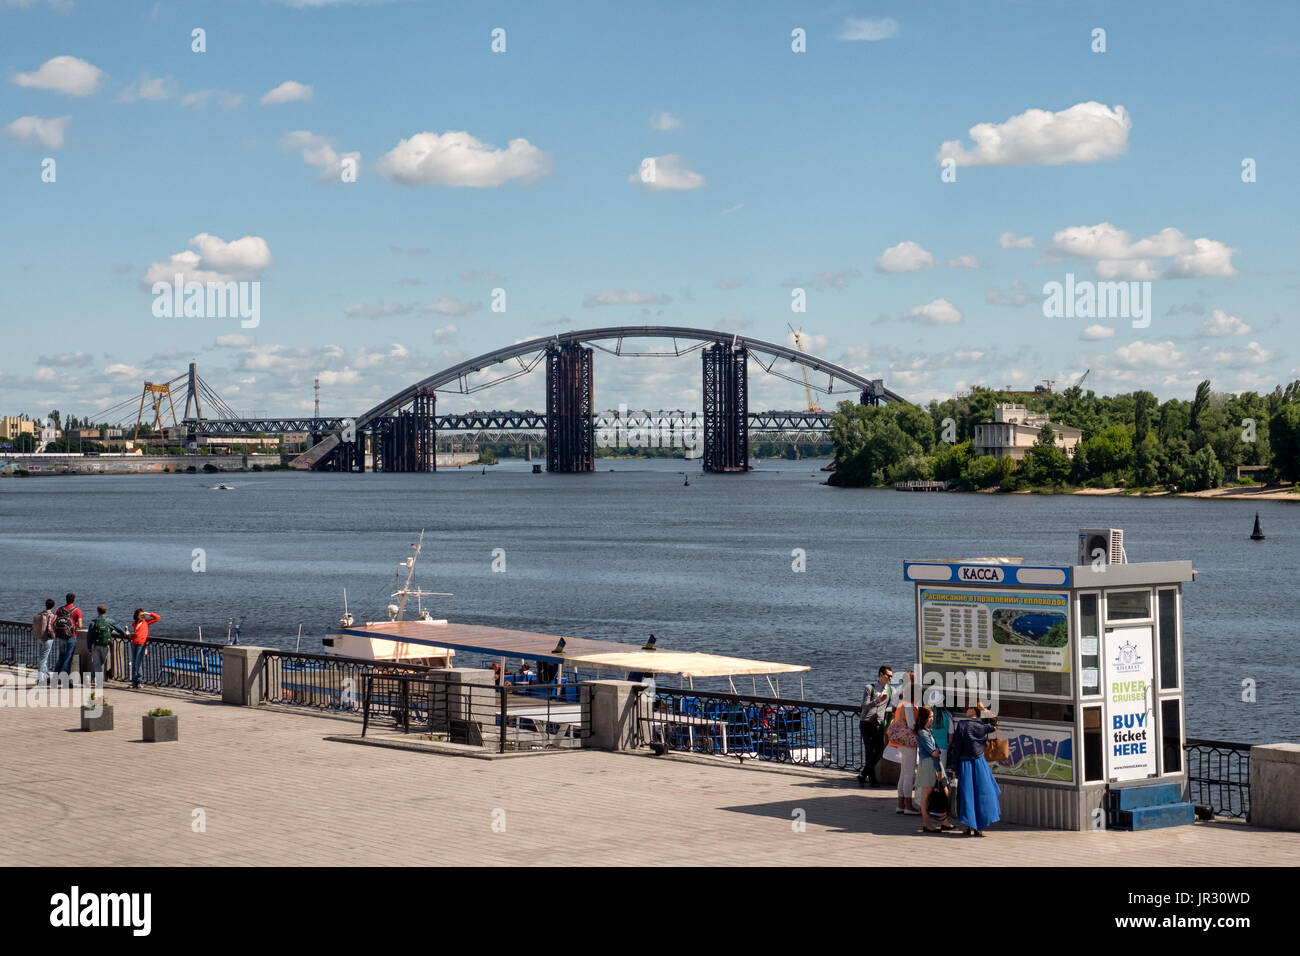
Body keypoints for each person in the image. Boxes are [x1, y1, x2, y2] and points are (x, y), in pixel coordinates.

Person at [945, 702, 1003, 837]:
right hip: (980, 762)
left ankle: (968, 826)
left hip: (965, 763)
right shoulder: (983, 726)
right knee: (981, 794)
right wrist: (985, 711)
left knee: (967, 795)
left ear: (973, 711)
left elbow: (957, 747)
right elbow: (995, 724)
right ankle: (979, 827)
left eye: (969, 707)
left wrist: (953, 766)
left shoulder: (962, 725)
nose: (967, 709)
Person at [915, 706, 956, 833]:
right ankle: (927, 823)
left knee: (945, 791)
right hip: (928, 765)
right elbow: (933, 752)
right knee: (926, 795)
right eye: (931, 716)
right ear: (925, 718)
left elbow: (935, 751)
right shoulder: (922, 732)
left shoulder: (928, 730)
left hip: (936, 765)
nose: (932, 719)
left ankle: (944, 821)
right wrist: (937, 752)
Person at [857, 665, 893, 787]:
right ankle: (872, 780)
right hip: (866, 723)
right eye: (888, 676)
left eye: (891, 676)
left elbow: (892, 704)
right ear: (881, 675)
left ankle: (863, 774)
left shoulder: (890, 690)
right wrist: (876, 701)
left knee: (879, 750)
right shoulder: (870, 688)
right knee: (869, 751)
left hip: (879, 724)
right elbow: (864, 706)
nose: (890, 679)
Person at [890, 670, 921, 814]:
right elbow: (911, 723)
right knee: (909, 775)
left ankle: (900, 804)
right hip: (908, 742)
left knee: (903, 774)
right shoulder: (909, 704)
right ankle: (908, 805)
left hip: (901, 742)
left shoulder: (902, 703)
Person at [51, 593, 82, 681]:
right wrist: (75, 625)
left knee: (60, 658)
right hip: (71, 636)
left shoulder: (60, 609)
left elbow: (52, 622)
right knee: (68, 658)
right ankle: (66, 679)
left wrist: (55, 631)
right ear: (74, 600)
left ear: (66, 599)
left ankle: (55, 678)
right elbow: (80, 625)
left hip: (61, 637)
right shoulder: (77, 610)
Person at [87, 605, 116, 689]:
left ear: (98, 612)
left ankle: (94, 678)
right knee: (101, 662)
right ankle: (96, 679)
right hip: (105, 645)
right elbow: (118, 628)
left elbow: (89, 636)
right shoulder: (109, 621)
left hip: (95, 645)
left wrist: (89, 647)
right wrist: (125, 633)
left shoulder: (93, 622)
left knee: (97, 663)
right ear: (105, 612)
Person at [129, 609, 160, 688]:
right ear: (137, 616)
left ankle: (140, 681)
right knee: (133, 663)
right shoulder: (134, 623)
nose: (143, 616)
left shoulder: (146, 622)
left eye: (143, 615)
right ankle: (134, 682)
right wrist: (130, 634)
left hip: (141, 644)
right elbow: (136, 634)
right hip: (134, 643)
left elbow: (158, 618)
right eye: (141, 615)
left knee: (138, 663)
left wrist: (148, 613)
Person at [32, 598, 56, 686]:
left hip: (39, 637)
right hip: (47, 639)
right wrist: (53, 635)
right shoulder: (51, 615)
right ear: (53, 606)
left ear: (46, 605)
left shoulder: (41, 614)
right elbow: (50, 628)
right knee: (42, 659)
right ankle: (40, 678)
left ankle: (46, 676)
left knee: (43, 657)